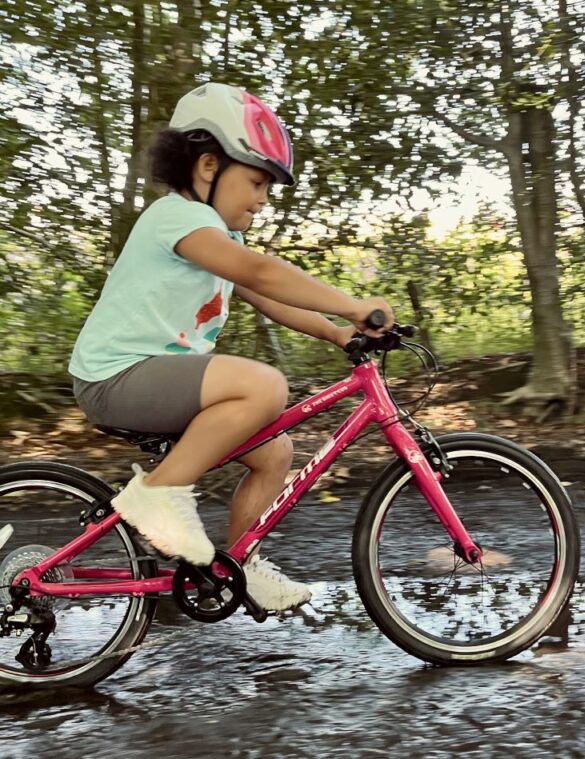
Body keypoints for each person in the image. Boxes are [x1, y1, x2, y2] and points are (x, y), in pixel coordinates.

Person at [68, 82, 394, 612]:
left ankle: (243, 563)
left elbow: (266, 292)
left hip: (156, 383)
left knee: (275, 451)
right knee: (263, 386)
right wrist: (353, 304)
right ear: (206, 167)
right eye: (257, 181)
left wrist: (337, 332)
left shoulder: (220, 238)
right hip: (116, 378)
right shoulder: (177, 218)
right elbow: (260, 271)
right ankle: (157, 495)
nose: (263, 199)